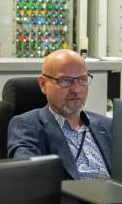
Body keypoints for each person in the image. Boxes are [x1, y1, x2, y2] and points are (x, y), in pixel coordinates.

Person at [8, 49, 112, 180]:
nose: (76, 89)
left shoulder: (107, 125)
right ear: (43, 84)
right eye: (65, 81)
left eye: (82, 79)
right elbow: (28, 177)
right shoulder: (27, 125)